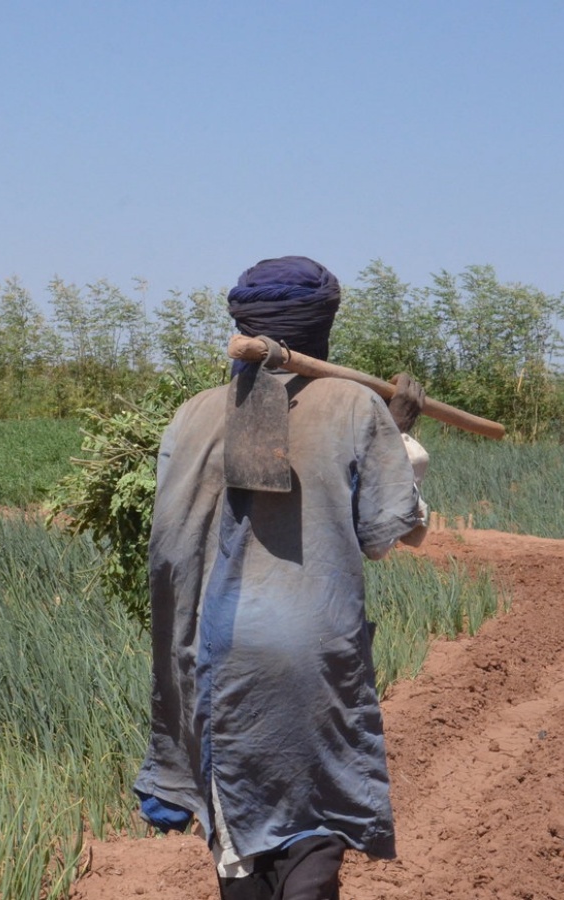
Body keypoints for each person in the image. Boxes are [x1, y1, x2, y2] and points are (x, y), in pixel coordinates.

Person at [133, 255, 430, 900]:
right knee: (314, 828)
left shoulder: (192, 414)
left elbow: (172, 547)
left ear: (244, 322)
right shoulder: (354, 405)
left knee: (239, 835)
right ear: (322, 327)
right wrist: (400, 432)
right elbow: (388, 535)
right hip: (311, 658)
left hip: (215, 654)